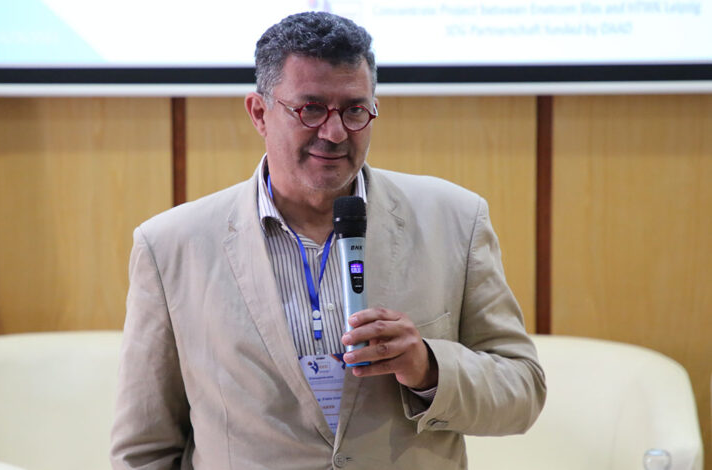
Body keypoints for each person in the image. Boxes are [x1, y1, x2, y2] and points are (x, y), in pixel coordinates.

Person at [110, 11, 545, 470]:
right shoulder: (172, 247)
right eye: (311, 109)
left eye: (355, 110)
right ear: (259, 113)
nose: (335, 133)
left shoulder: (455, 220)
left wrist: (428, 367)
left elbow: (523, 391)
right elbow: (145, 450)